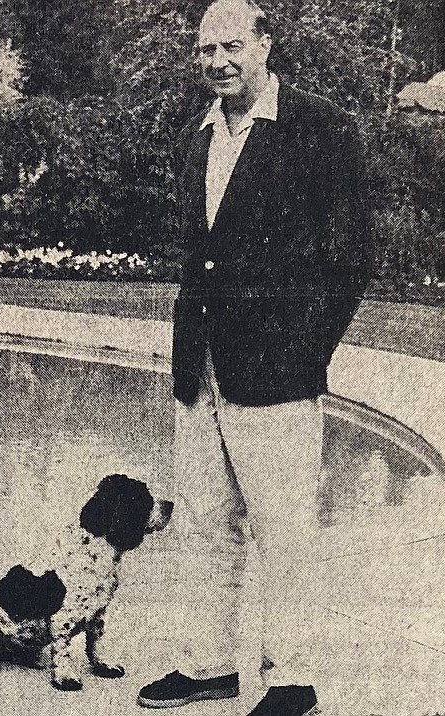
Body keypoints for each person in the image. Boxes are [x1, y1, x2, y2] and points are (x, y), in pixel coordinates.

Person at [137, 1, 371, 714]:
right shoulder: (195, 137)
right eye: (206, 50)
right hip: (200, 368)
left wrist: (302, 354)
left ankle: (291, 678)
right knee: (206, 521)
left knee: (283, 527)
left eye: (232, 46)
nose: (218, 62)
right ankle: (207, 664)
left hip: (278, 373)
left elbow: (352, 258)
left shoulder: (321, 130)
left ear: (265, 43)